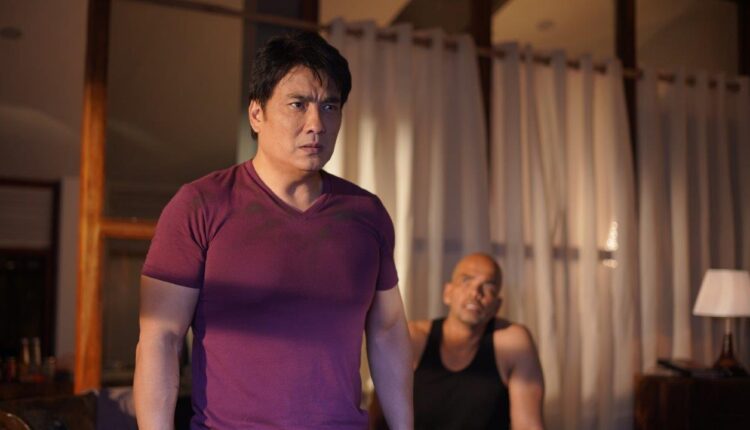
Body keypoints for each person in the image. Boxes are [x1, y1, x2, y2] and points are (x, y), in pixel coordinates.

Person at [133, 32, 413, 430]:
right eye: (298, 104)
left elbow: (387, 330)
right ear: (256, 114)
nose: (316, 124)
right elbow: (160, 337)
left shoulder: (367, 214)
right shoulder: (200, 205)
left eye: (329, 106)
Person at [409, 253, 545, 430]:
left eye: (488, 287)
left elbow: (528, 425)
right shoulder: (414, 338)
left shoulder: (512, 343)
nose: (475, 293)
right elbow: (381, 418)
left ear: (496, 305)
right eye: (466, 280)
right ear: (448, 293)